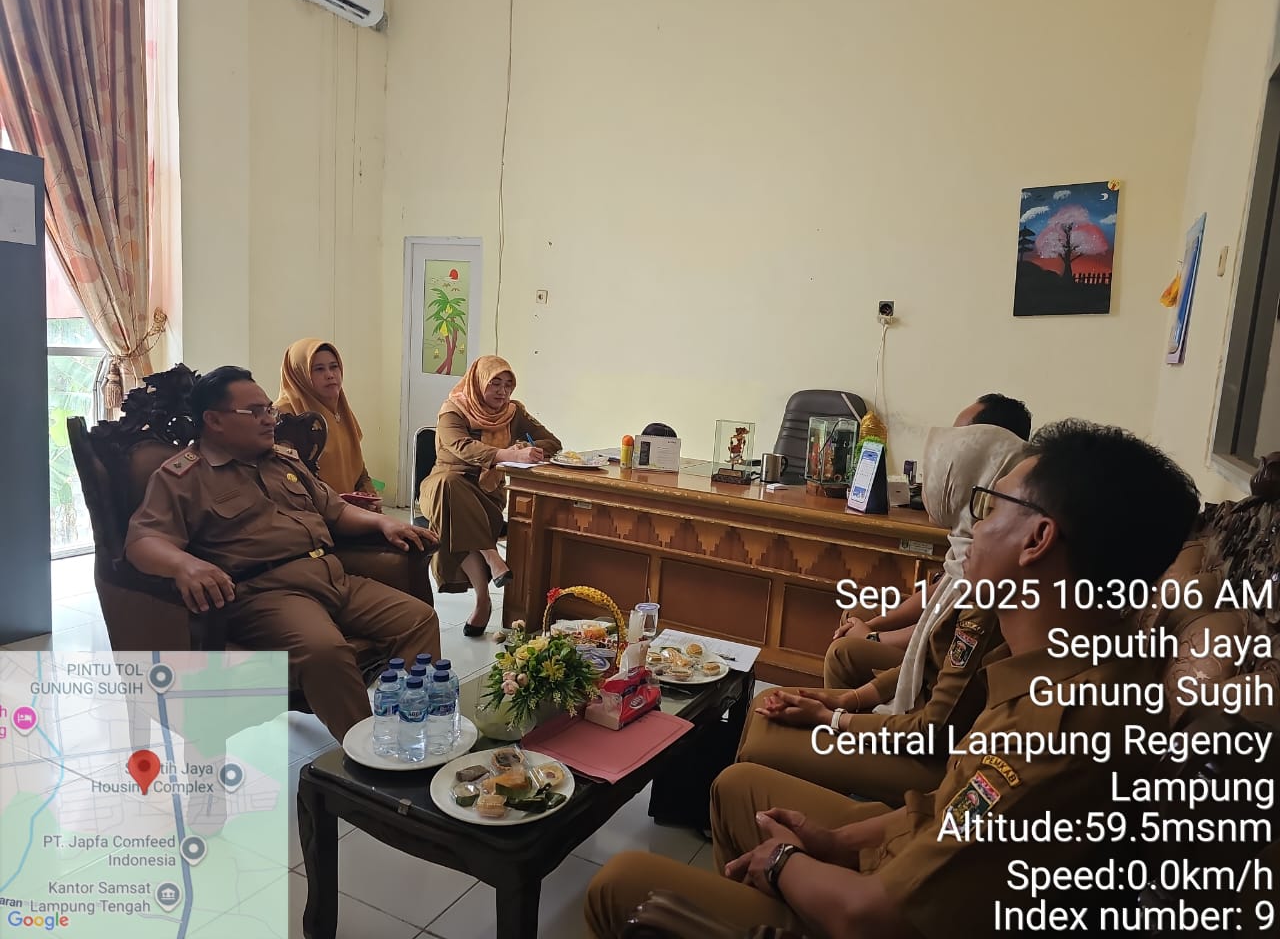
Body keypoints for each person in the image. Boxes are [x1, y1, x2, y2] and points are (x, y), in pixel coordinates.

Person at [585, 420, 1201, 938]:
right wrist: (835, 841)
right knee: (740, 784)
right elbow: (943, 808)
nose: (976, 526)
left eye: (991, 508)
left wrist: (784, 863)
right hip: (911, 867)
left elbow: (876, 914)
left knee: (619, 882)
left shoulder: (1059, 728)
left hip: (885, 912)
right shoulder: (1067, 665)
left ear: (1037, 539)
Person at [126, 366, 441, 743]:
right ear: (214, 420)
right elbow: (143, 540)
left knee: (418, 620)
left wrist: (383, 523)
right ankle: (367, 754)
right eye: (255, 412)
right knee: (326, 651)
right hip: (269, 593)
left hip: (333, 576)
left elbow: (335, 510)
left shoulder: (284, 461)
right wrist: (184, 565)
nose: (269, 419)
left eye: (269, 410)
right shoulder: (183, 476)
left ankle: (413, 729)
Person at [737, 423, 1026, 802]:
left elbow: (932, 730)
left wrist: (833, 718)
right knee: (765, 707)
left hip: (930, 761)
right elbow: (927, 663)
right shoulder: (971, 567)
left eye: (991, 510)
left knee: (743, 773)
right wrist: (847, 701)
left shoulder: (985, 599)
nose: (979, 525)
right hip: (916, 728)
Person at [831, 391, 1033, 648]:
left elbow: (946, 628)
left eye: (958, 439)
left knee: (845, 649)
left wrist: (871, 636)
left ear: (985, 447)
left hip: (943, 654)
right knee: (856, 615)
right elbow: (943, 590)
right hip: (935, 636)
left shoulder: (998, 540)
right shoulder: (967, 523)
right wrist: (874, 624)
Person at [418, 355, 561, 636]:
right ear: (478, 381)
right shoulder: (453, 410)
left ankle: (483, 597)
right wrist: (507, 455)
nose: (502, 391)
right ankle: (491, 561)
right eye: (495, 383)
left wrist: (525, 448)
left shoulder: (513, 412)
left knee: (457, 516)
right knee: (450, 486)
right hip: (439, 486)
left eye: (508, 385)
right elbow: (461, 446)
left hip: (487, 492)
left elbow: (553, 442)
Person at [274, 338, 379, 508]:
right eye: (319, 369)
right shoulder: (284, 416)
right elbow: (287, 481)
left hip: (348, 510)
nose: (330, 375)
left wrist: (369, 497)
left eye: (334, 367)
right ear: (299, 374)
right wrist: (341, 509)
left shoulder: (340, 411)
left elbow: (359, 468)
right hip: (309, 513)